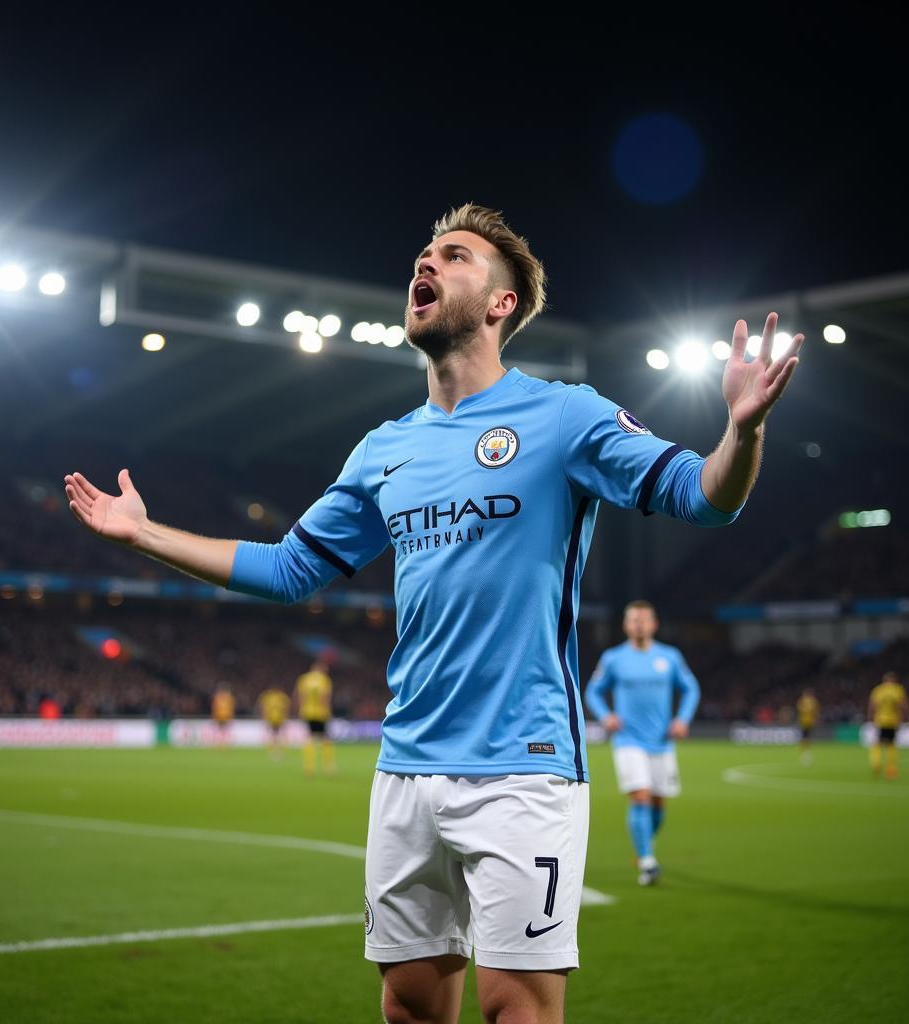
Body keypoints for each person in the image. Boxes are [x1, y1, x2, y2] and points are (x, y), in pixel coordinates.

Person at [64, 204, 802, 1024]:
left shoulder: (564, 416)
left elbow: (703, 500)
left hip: (523, 764)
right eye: (423, 254)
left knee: (515, 1008)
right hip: (407, 766)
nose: (427, 264)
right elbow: (288, 569)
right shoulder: (385, 448)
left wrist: (743, 433)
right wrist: (143, 533)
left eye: (454, 256)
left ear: (500, 303)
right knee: (410, 1003)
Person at [584, 601, 700, 886]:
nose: (639, 624)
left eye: (643, 620)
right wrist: (605, 716)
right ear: (626, 625)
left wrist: (682, 719)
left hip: (661, 741)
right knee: (641, 797)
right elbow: (593, 691)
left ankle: (643, 846)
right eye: (633, 620)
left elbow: (691, 688)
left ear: (654, 624)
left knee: (659, 805)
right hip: (628, 740)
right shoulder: (613, 658)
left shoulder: (669, 657)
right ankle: (648, 862)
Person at [294, 656, 335, 776]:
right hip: (321, 713)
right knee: (325, 739)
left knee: (310, 738)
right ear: (320, 668)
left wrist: (301, 709)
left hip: (307, 712)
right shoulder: (324, 679)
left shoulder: (304, 679)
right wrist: (328, 711)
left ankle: (309, 768)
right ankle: (329, 767)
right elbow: (324, 697)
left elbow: (300, 696)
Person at [868, 671, 908, 779]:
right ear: (894, 680)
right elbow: (903, 705)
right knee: (892, 744)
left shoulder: (879, 690)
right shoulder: (898, 690)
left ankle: (876, 763)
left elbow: (872, 706)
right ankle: (890, 769)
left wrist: (870, 718)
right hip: (894, 721)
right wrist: (905, 718)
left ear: (884, 680)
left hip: (880, 720)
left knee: (877, 743)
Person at [257, 685, 290, 759]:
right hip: (275, 719)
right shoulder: (281, 697)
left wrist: (264, 716)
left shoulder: (269, 697)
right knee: (276, 735)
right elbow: (286, 709)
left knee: (275, 735)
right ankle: (276, 751)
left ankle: (274, 751)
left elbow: (263, 707)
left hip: (275, 719)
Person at [796, 686, 820, 764]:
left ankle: (804, 752)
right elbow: (816, 712)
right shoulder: (813, 701)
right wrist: (816, 720)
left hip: (804, 721)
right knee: (807, 737)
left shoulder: (802, 700)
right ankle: (807, 752)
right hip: (810, 722)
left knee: (804, 737)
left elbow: (799, 709)